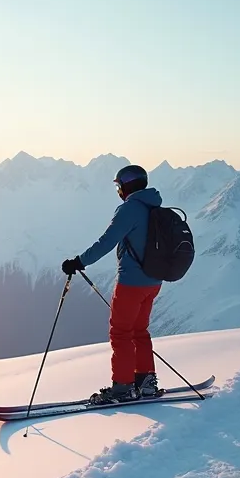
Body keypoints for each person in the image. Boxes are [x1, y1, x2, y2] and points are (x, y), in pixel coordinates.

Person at [61, 164, 163, 405]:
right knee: (139, 331)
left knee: (121, 333)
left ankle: (123, 388)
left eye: (118, 186)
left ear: (126, 187)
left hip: (131, 283)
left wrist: (79, 262)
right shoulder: (154, 205)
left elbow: (107, 241)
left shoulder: (130, 210)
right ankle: (146, 383)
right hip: (154, 281)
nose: (118, 191)